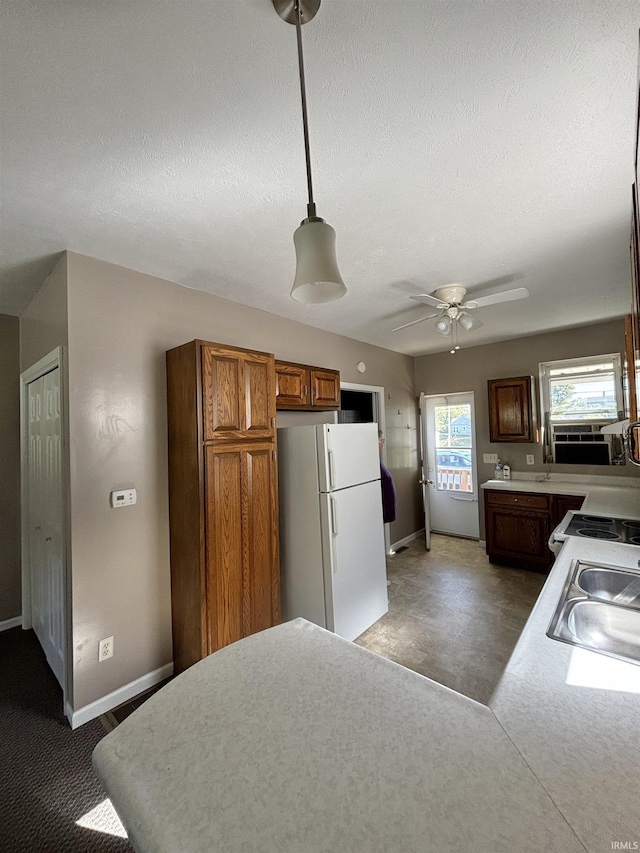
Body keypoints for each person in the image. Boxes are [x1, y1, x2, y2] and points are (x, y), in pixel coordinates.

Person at [378, 431, 397, 524]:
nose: (382, 444)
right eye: (381, 440)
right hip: (376, 511)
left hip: (382, 512)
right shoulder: (370, 463)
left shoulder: (376, 461)